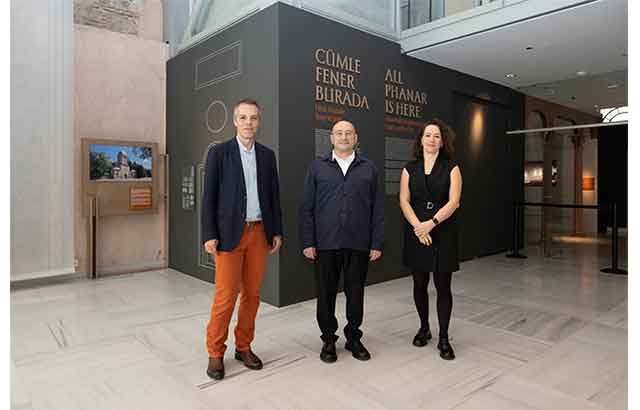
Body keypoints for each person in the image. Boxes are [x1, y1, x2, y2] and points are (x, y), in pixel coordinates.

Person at [201, 99, 283, 380]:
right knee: (225, 296)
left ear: (259, 122)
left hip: (259, 233)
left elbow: (274, 196)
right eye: (244, 118)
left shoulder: (268, 156)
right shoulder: (219, 153)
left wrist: (276, 231)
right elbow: (209, 197)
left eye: (254, 118)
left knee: (252, 295)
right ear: (235, 121)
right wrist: (209, 234)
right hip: (228, 235)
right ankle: (215, 352)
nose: (249, 123)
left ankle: (244, 346)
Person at [299, 119, 383, 363]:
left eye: (348, 133)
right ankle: (328, 339)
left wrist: (376, 242)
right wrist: (308, 241)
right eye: (339, 133)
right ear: (331, 138)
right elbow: (306, 208)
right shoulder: (317, 167)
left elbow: (377, 208)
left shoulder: (369, 168)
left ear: (355, 138)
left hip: (359, 242)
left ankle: (354, 337)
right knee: (325, 294)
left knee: (355, 293)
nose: (344, 137)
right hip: (325, 242)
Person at [399, 118, 462, 360]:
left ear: (442, 141)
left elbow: (454, 202)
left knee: (443, 286)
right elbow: (404, 200)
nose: (432, 140)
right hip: (417, 232)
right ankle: (424, 328)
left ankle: (444, 338)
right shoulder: (409, 168)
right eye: (428, 135)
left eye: (437, 136)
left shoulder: (452, 168)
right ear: (421, 140)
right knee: (419, 284)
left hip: (442, 231)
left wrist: (430, 224)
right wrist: (418, 227)